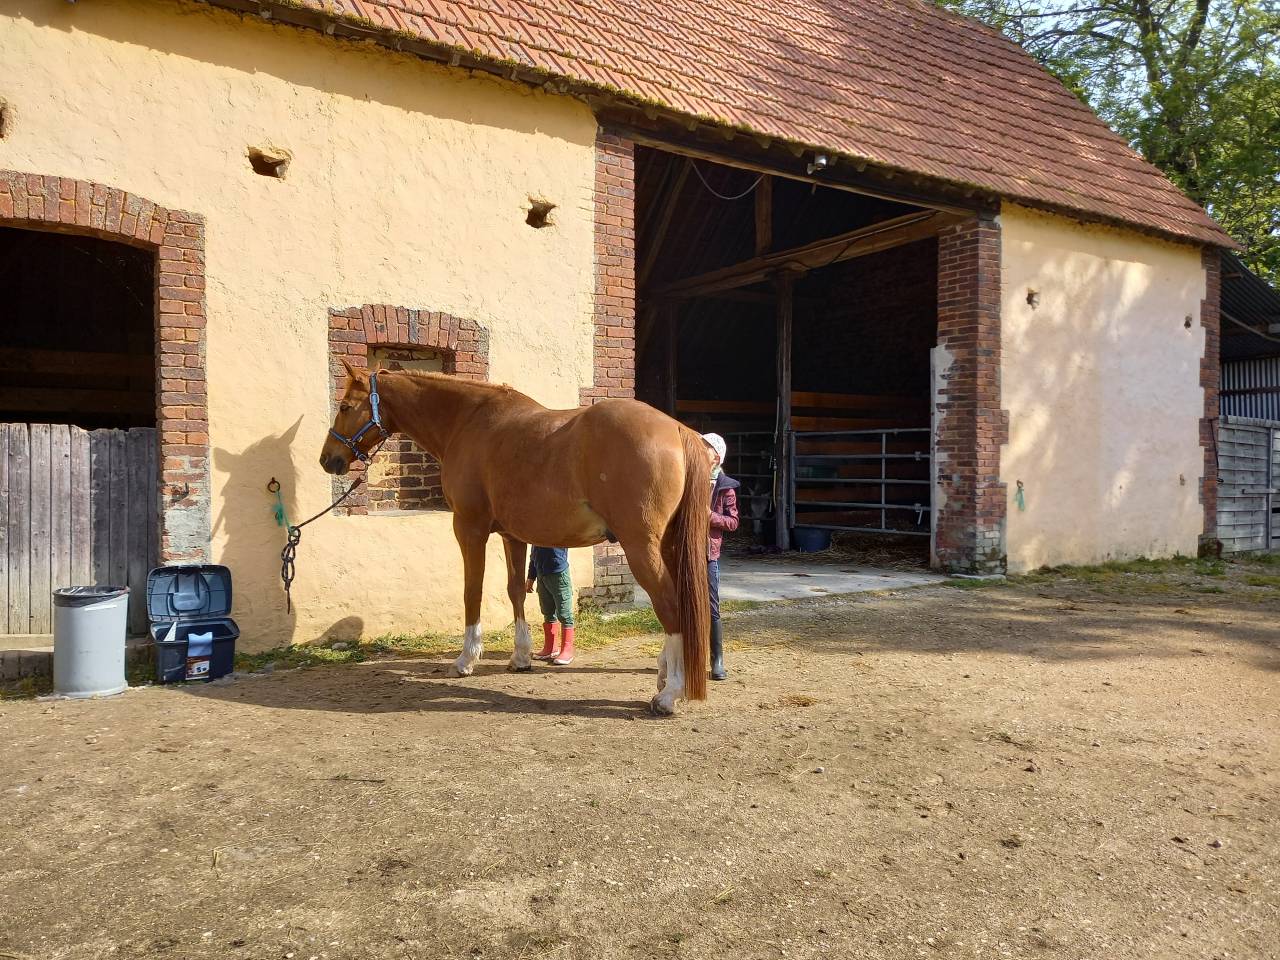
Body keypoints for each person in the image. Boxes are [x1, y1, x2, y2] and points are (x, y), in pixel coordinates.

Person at [702, 432, 739, 681]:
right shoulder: (687, 480)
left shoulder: (726, 488)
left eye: (703, 448)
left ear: (715, 457)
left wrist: (709, 517)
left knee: (712, 607)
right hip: (687, 550)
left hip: (708, 554)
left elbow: (733, 522)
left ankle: (717, 658)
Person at [527, 546, 575, 665]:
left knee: (564, 614)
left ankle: (567, 650)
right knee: (547, 612)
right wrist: (531, 577)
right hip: (541, 574)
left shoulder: (558, 529)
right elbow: (533, 556)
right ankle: (550, 648)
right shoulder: (535, 533)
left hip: (558, 573)